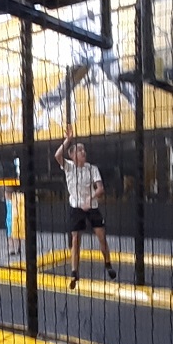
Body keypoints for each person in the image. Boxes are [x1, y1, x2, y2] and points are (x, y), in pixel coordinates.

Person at [55, 123, 116, 289]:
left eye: (84, 150)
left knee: (101, 236)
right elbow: (57, 155)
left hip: (92, 206)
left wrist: (90, 198)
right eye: (79, 150)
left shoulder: (92, 169)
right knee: (76, 239)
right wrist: (68, 140)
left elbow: (100, 188)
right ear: (72, 155)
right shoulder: (68, 167)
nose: (83, 152)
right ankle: (74, 272)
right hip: (76, 207)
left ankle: (108, 264)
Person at [2, 188, 24, 256]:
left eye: (5, 193)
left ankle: (13, 249)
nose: (4, 195)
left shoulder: (9, 202)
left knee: (11, 236)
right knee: (15, 235)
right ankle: (17, 249)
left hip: (11, 219)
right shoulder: (15, 201)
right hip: (14, 219)